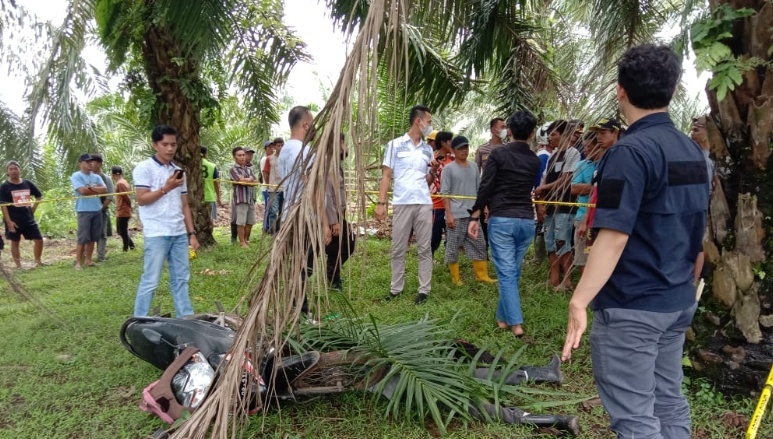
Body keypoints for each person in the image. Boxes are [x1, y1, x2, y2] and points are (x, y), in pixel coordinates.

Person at [562, 44, 709, 439]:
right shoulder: (692, 150)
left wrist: (579, 301)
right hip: (676, 301)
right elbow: (698, 229)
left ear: (620, 90)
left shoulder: (629, 152)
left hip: (634, 308)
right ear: (673, 90)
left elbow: (613, 237)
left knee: (636, 420)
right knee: (668, 402)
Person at [467, 111, 540, 338]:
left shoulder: (498, 153)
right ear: (532, 133)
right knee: (513, 272)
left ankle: (516, 324)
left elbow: (486, 185)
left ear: (509, 131)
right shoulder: (535, 160)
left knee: (508, 274)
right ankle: (501, 319)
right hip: (526, 221)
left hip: (502, 221)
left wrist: (475, 216)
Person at [133, 124, 198, 317]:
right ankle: (139, 319)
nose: (170, 149)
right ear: (155, 145)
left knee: (181, 279)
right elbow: (141, 199)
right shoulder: (144, 168)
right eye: (165, 144)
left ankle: (186, 318)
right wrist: (166, 188)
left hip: (178, 233)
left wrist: (191, 233)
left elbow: (184, 205)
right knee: (151, 280)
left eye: (173, 144)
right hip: (157, 233)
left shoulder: (178, 171)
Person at [376, 105, 439, 305]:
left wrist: (433, 171)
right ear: (418, 121)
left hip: (423, 202)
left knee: (424, 248)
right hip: (402, 202)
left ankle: (424, 290)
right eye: (429, 122)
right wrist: (381, 203)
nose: (430, 126)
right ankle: (396, 289)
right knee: (398, 248)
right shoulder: (395, 145)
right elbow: (386, 175)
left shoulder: (428, 150)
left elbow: (428, 180)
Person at [279, 106, 330, 317]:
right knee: (304, 265)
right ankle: (300, 309)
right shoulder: (304, 151)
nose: (315, 128)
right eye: (313, 124)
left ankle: (297, 305)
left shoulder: (284, 150)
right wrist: (325, 222)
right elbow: (313, 190)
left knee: (299, 263)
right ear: (306, 125)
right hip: (305, 216)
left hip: (289, 214)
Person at [440, 136, 495, 285]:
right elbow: (445, 193)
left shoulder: (473, 167)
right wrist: (449, 214)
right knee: (453, 246)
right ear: (453, 150)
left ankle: (482, 275)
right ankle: (455, 278)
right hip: (456, 213)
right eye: (460, 148)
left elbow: (479, 189)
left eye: (466, 147)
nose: (464, 151)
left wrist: (484, 207)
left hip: (472, 214)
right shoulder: (448, 169)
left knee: (479, 243)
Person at [535, 120, 581, 290]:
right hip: (550, 207)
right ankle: (554, 278)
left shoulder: (573, 153)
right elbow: (545, 179)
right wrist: (541, 203)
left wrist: (543, 188)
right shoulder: (552, 156)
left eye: (553, 134)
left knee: (562, 241)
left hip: (565, 206)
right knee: (550, 242)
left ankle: (567, 280)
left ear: (564, 134)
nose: (550, 138)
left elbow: (566, 180)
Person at [325, 137, 356, 291]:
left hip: (338, 214)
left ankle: (333, 275)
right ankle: (332, 278)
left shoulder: (336, 165)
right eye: (345, 144)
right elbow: (326, 195)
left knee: (348, 243)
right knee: (339, 247)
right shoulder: (327, 165)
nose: (347, 147)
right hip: (332, 215)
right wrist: (333, 221)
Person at [0, 161, 44, 268]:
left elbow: (38, 196)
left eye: (15, 168)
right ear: (7, 172)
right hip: (13, 219)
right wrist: (9, 222)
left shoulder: (27, 183)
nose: (13, 171)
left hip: (28, 218)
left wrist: (33, 209)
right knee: (15, 242)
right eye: (11, 169)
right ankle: (18, 266)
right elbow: (3, 205)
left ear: (20, 170)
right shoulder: (4, 186)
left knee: (39, 239)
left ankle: (38, 261)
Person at [71, 153, 106, 270]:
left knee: (93, 237)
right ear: (80, 163)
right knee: (83, 238)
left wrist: (90, 188)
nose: (90, 163)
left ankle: (88, 260)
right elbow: (82, 191)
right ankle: (78, 262)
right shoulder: (76, 176)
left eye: (91, 161)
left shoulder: (96, 177)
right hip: (83, 210)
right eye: (87, 162)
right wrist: (95, 190)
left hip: (97, 209)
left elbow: (104, 189)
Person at [430, 131, 454, 257]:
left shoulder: (454, 160)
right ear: (444, 143)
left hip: (451, 204)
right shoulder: (431, 159)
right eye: (450, 141)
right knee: (434, 234)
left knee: (452, 235)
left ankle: (450, 260)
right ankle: (429, 258)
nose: (452, 143)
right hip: (436, 203)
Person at [230, 146, 257, 248]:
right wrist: (249, 179)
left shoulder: (248, 169)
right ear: (234, 157)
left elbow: (256, 182)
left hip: (250, 199)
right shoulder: (233, 169)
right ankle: (241, 242)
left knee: (250, 221)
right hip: (241, 199)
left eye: (243, 155)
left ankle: (245, 240)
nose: (242, 157)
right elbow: (240, 181)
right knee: (241, 222)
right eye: (239, 155)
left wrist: (247, 180)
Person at [91, 154, 114, 262]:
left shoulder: (106, 179)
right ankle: (86, 256)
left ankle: (101, 256)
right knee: (88, 233)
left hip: (101, 210)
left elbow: (109, 197)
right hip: (88, 210)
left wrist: (101, 208)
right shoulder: (87, 178)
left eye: (93, 162)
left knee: (102, 234)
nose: (91, 164)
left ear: (99, 164)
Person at [111, 166, 135, 251]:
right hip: (122, 210)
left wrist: (130, 207)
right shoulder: (124, 182)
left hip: (123, 210)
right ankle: (131, 245)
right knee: (120, 230)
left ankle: (126, 248)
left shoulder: (120, 183)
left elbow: (126, 197)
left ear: (113, 175)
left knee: (122, 231)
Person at [263, 138, 284, 234]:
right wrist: (268, 186)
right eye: (278, 145)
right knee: (273, 211)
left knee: (282, 211)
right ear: (275, 147)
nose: (280, 147)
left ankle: (279, 231)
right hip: (273, 189)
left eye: (282, 145)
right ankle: (272, 232)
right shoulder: (269, 159)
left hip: (284, 189)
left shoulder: (285, 158)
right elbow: (266, 173)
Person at [200, 146, 222, 222]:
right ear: (206, 153)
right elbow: (216, 183)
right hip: (209, 197)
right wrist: (219, 197)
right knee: (210, 222)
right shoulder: (212, 166)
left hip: (195, 198)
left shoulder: (192, 165)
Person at [259, 141, 274, 208]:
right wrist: (268, 187)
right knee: (268, 208)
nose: (271, 149)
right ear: (265, 149)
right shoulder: (265, 159)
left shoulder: (273, 159)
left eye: (272, 147)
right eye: (269, 147)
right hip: (267, 188)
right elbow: (265, 174)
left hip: (272, 188)